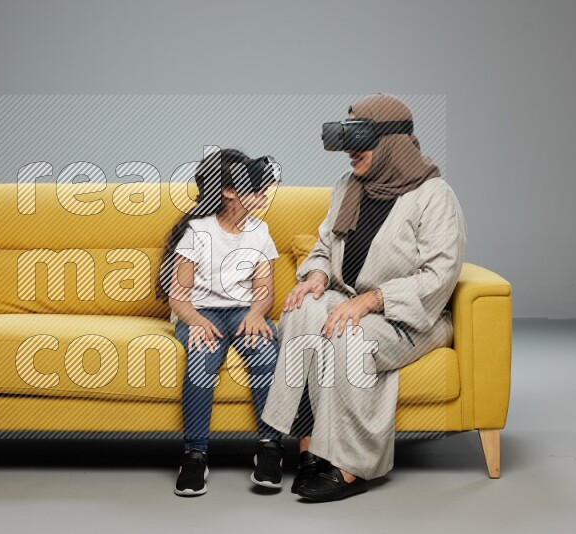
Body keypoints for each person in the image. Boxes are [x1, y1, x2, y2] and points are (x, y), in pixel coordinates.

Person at [261, 93, 468, 502]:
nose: (350, 152)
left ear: (391, 141)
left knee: (345, 336)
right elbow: (324, 245)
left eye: (360, 139)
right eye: (347, 137)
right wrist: (317, 275)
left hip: (409, 317)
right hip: (350, 298)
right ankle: (307, 450)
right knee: (302, 311)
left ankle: (353, 465)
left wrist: (371, 301)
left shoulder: (434, 195)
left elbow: (439, 277)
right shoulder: (348, 187)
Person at [156, 148, 285, 496]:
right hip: (199, 310)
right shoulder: (198, 232)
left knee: (265, 355)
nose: (263, 189)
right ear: (229, 191)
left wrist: (258, 313)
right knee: (201, 359)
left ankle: (270, 448)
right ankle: (194, 454)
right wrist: (195, 320)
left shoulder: (260, 231)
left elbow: (264, 290)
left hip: (243, 309)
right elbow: (178, 296)